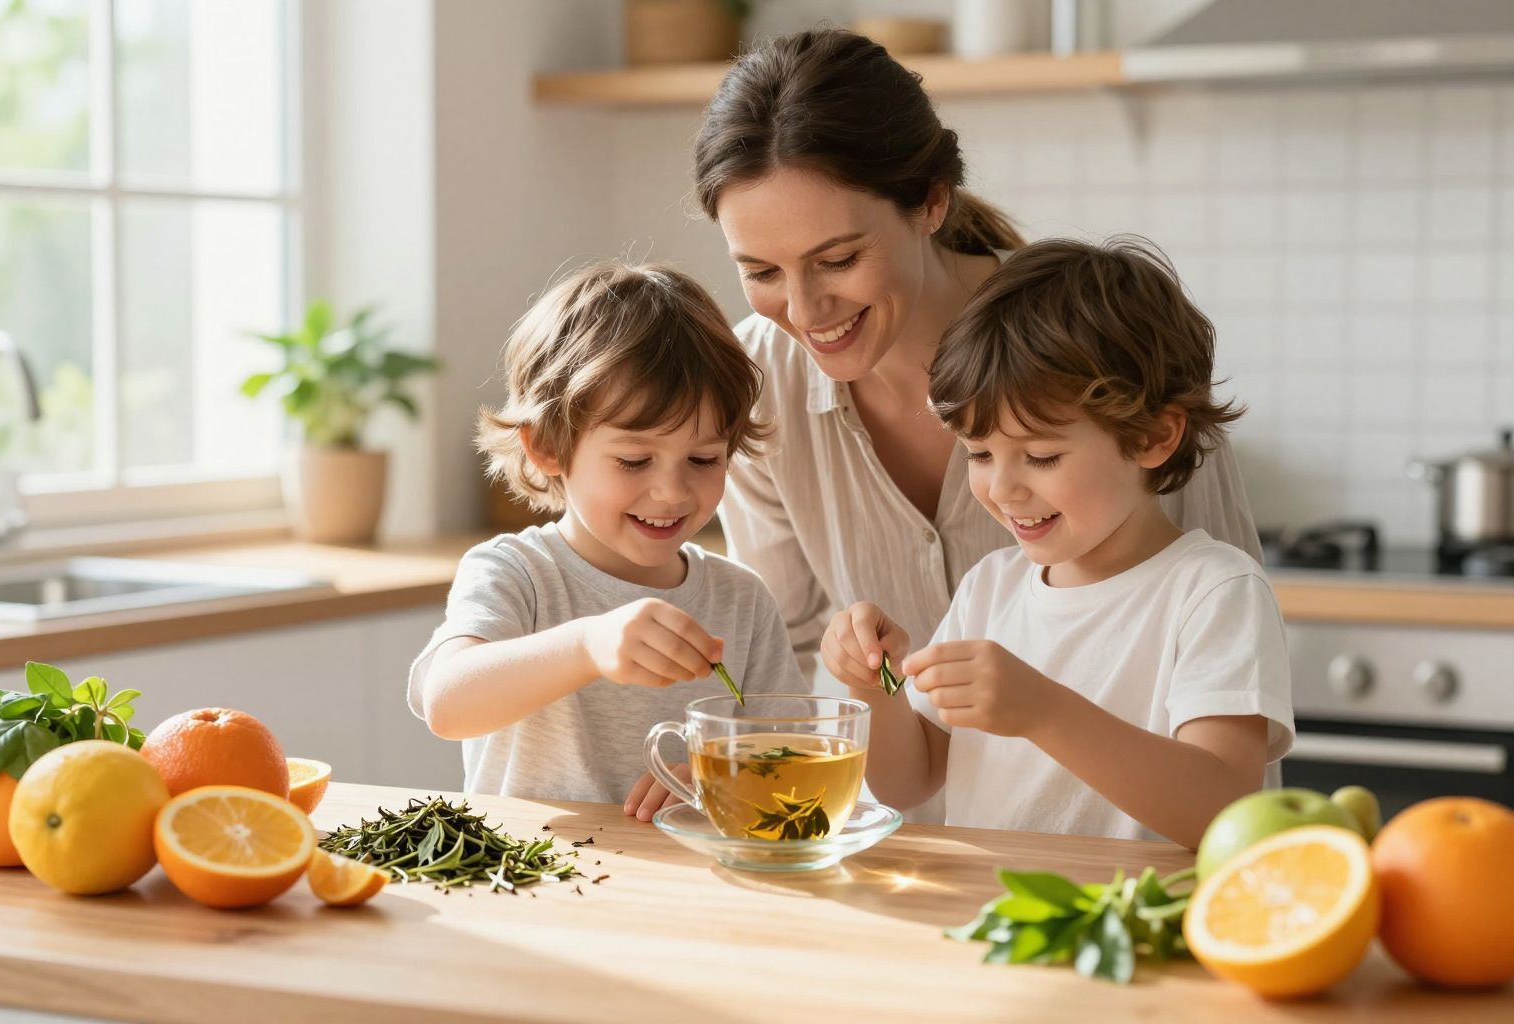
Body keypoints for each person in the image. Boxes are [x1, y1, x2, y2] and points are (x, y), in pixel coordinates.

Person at [691, 29, 1261, 717]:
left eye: (838, 260)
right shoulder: (754, 385)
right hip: (907, 820)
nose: (806, 309)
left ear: (932, 201)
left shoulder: (1101, 346)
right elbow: (782, 649)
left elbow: (1227, 684)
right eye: (759, 271)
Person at [820, 238, 1294, 847]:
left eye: (1041, 456)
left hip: (1135, 930)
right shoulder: (992, 587)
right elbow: (910, 781)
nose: (1003, 489)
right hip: (994, 925)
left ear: (1153, 436)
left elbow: (1222, 810)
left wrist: (1043, 712)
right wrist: (874, 686)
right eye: (980, 454)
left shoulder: (1213, 591)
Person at [408, 261, 803, 814]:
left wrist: (726, 773)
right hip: (535, 882)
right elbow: (447, 704)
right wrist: (587, 645)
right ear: (547, 446)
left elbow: (791, 760)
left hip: (682, 887)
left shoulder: (742, 600)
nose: (672, 492)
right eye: (634, 460)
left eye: (703, 458)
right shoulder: (516, 572)